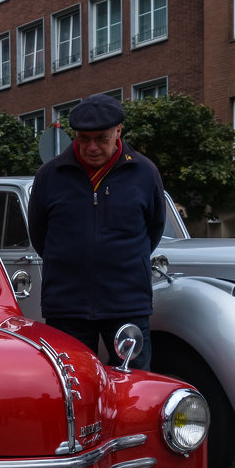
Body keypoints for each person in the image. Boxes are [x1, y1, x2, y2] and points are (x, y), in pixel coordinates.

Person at [28, 93, 165, 369]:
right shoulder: (49, 176)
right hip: (67, 306)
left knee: (134, 387)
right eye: (83, 138)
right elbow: (39, 235)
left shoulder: (145, 173)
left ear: (118, 132)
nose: (91, 147)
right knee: (73, 387)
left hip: (127, 304)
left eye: (101, 138)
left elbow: (154, 229)